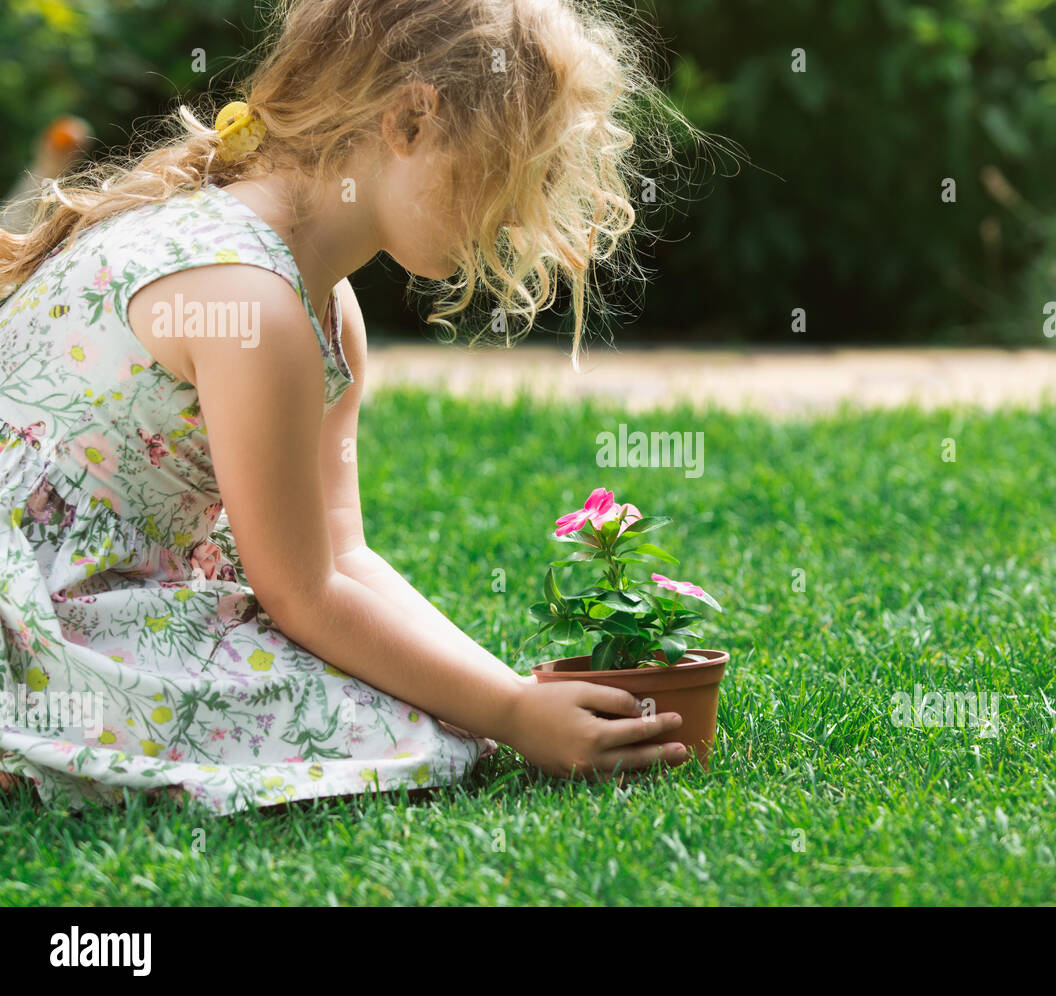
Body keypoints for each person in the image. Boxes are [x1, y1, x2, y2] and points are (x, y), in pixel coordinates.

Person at [0, 0, 697, 814]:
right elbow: (303, 596)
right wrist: (508, 715)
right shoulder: (251, 302)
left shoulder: (321, 306)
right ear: (410, 119)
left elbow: (341, 556)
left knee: (418, 706)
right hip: (35, 617)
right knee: (388, 724)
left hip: (104, 586)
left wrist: (510, 698)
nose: (518, 210)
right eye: (510, 169)